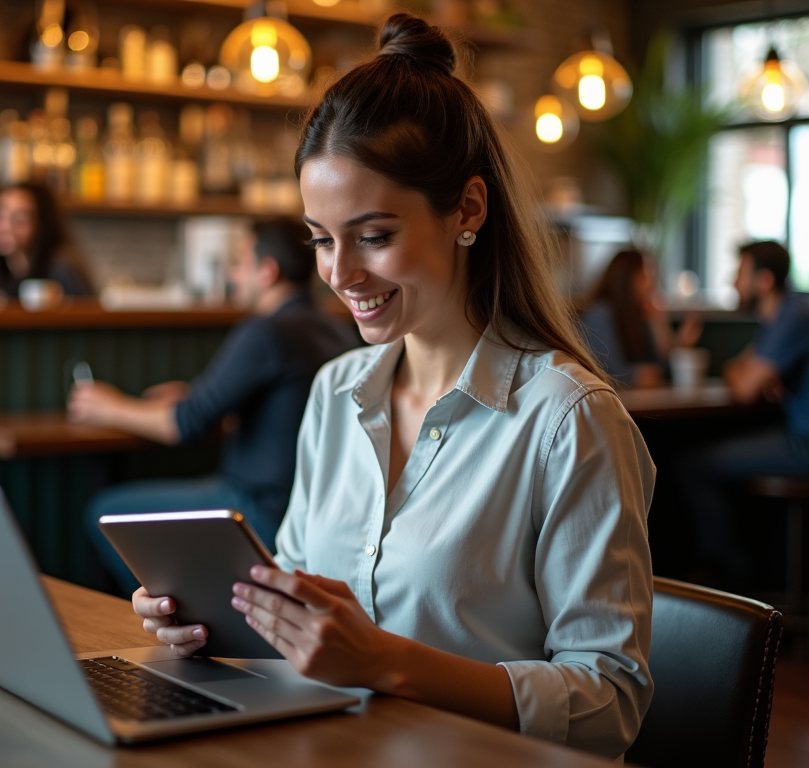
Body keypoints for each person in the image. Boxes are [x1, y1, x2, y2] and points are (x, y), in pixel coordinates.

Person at [132, 14, 655, 761]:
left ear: (467, 210)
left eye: (373, 236)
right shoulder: (335, 393)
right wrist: (214, 621)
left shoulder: (568, 421)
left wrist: (385, 661)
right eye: (320, 238)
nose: (339, 274)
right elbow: (301, 625)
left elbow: (610, 702)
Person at [70, 218, 360, 593]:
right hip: (309, 510)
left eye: (240, 263)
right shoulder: (335, 328)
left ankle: (185, 611)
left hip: (256, 508)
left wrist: (107, 407)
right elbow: (265, 405)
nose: (232, 274)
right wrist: (194, 394)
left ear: (267, 271)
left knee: (104, 511)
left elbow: (186, 422)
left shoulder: (265, 331)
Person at [682, 241, 809, 588]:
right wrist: (754, 374)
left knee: (695, 466)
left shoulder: (795, 314)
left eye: (741, 273)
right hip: (796, 435)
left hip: (803, 443)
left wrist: (755, 374)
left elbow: (744, 386)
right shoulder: (780, 316)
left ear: (764, 281)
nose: (733, 282)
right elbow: (738, 368)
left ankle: (734, 584)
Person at [579, 249, 702, 387]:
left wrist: (661, 326)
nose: (651, 284)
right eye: (644, 276)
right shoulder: (599, 314)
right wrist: (636, 375)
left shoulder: (639, 316)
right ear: (625, 279)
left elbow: (661, 371)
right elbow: (608, 371)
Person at [0, 182, 92, 297]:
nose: (5, 227)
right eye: (0, 216)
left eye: (20, 219)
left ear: (43, 224)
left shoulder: (62, 267)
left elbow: (88, 311)